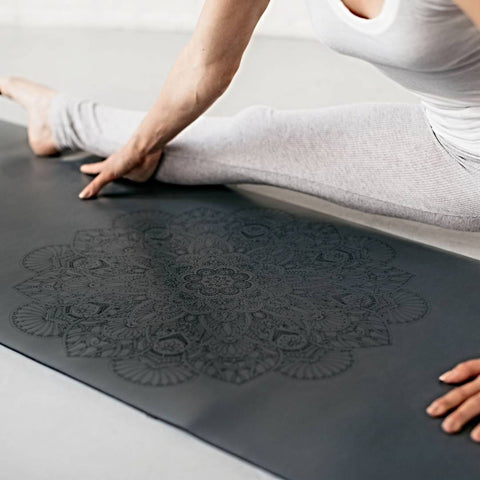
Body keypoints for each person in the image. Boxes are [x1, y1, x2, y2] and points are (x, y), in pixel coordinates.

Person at [1, 0, 480, 442]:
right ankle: (59, 117)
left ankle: (63, 117)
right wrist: (140, 146)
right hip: (439, 135)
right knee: (240, 138)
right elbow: (204, 66)